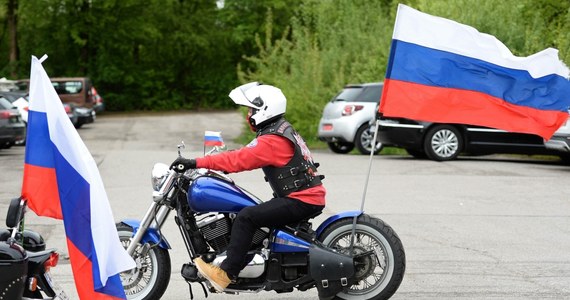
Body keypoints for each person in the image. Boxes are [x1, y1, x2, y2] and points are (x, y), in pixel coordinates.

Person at [170, 82, 326, 292]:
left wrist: (196, 163)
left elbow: (239, 159)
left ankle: (225, 274)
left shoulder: (272, 139)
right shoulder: (279, 130)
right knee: (248, 212)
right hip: (302, 197)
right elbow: (245, 154)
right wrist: (216, 162)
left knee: (246, 216)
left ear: (264, 109)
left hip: (301, 199)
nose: (249, 114)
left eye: (252, 109)